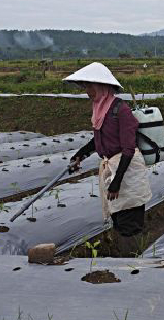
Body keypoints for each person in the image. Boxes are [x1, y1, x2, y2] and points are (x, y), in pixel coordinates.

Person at [65, 62, 152, 255]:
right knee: (118, 219)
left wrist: (117, 183)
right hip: (113, 169)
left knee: (130, 220)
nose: (87, 91)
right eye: (85, 86)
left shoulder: (121, 111)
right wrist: (80, 154)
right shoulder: (100, 110)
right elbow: (98, 139)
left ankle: (136, 264)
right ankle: (125, 262)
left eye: (90, 86)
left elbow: (128, 150)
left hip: (128, 173)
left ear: (102, 87)